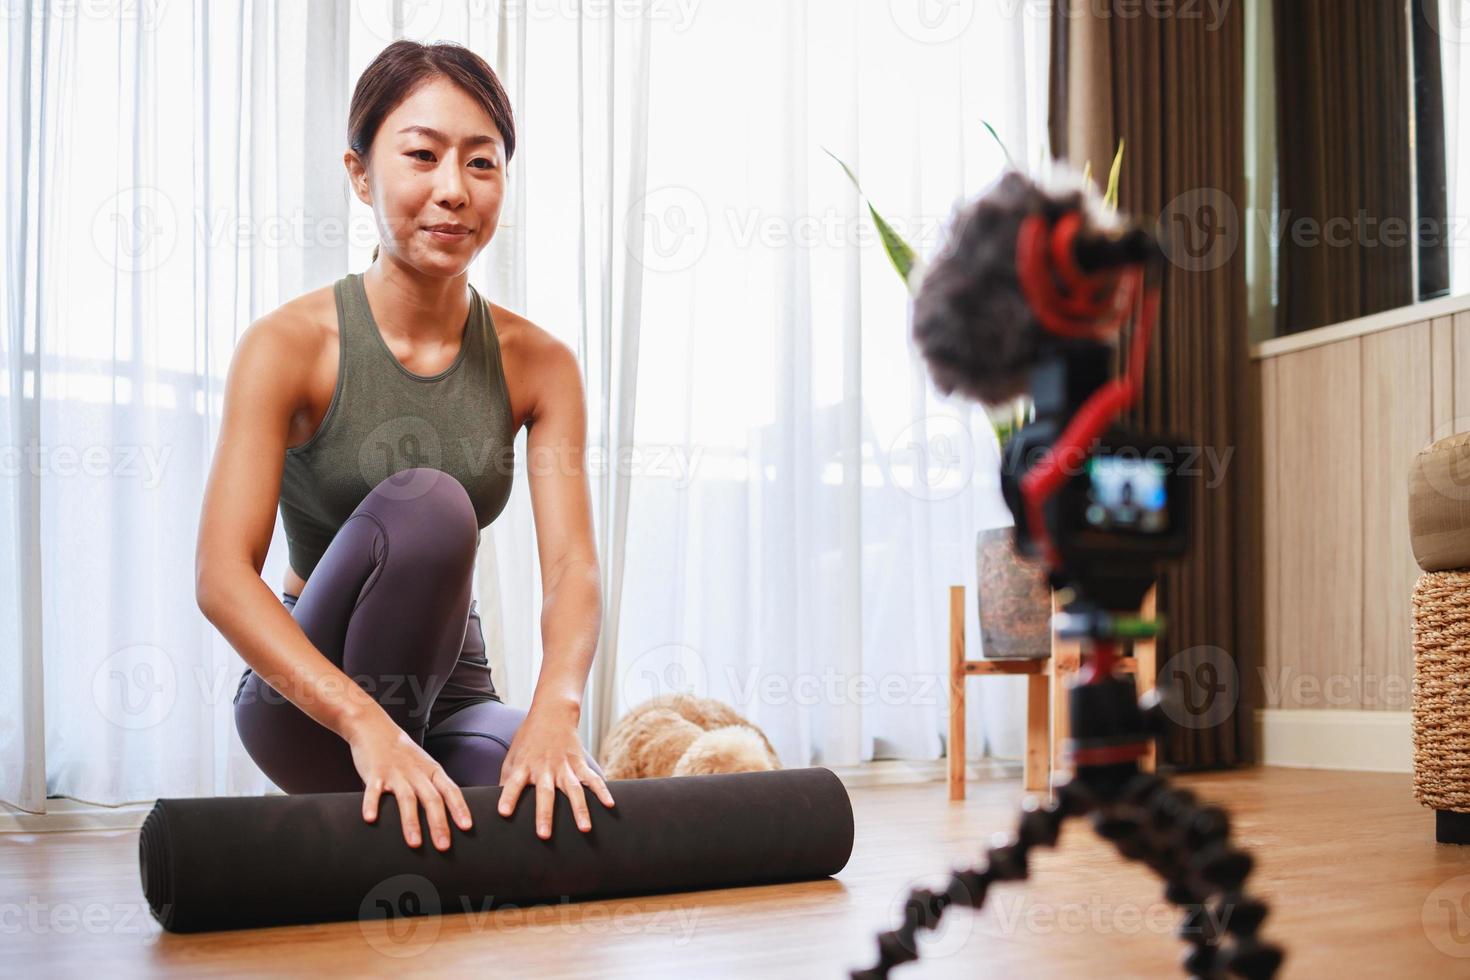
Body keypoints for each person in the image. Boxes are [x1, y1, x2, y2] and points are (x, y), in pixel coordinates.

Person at [194, 40, 614, 853]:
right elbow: (220, 575)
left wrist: (557, 713)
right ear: (360, 174)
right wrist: (368, 725)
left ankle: (402, 819)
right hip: (310, 706)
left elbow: (572, 567)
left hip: (455, 693)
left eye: (481, 164)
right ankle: (383, 770)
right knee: (429, 505)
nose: (452, 191)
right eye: (421, 156)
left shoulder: (543, 365)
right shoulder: (288, 346)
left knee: (558, 808)